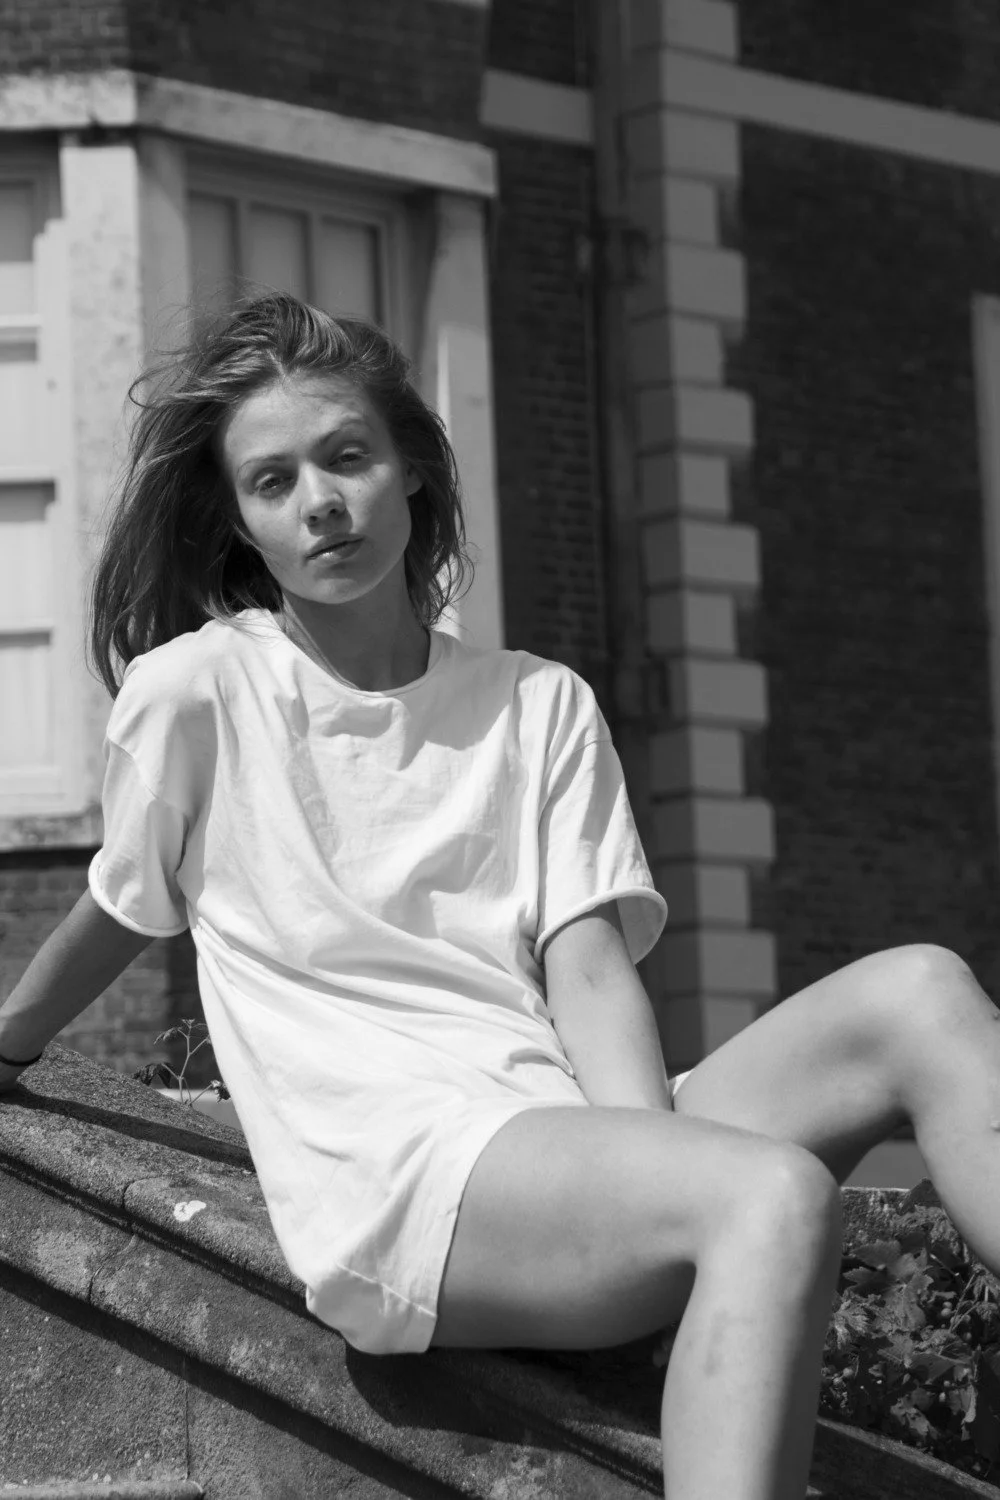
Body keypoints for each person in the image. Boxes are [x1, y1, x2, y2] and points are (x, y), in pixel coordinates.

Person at [1, 292, 998, 1500]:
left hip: (559, 1137)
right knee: (771, 1194)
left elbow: (589, 970)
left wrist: (652, 1165)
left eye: (348, 457)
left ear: (413, 470)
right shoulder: (199, 692)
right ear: (240, 522)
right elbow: (121, 903)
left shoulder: (537, 701)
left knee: (922, 993)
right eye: (272, 481)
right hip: (404, 1180)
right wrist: (9, 1039)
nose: (319, 501)